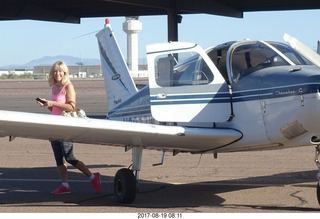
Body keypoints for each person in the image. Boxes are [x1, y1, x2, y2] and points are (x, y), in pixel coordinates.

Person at [37, 60, 101, 195]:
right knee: (58, 158)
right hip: (55, 126)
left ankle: (93, 177)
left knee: (69, 157)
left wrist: (52, 102)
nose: (57, 73)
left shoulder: (68, 86)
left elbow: (72, 107)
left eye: (60, 71)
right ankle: (65, 185)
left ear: (65, 72)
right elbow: (55, 109)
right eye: (55, 71)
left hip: (65, 126)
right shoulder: (54, 87)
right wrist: (47, 105)